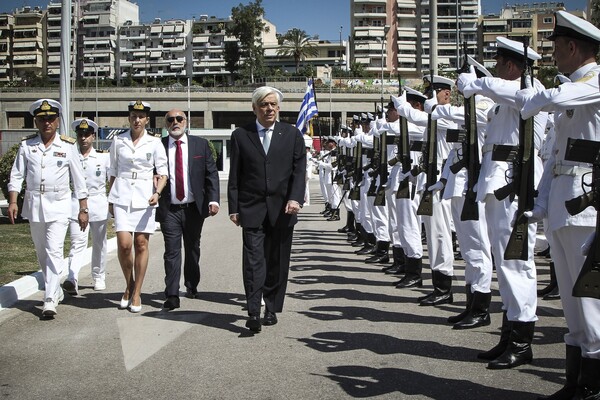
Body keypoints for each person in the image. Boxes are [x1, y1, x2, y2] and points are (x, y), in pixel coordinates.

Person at [516, 11, 600, 399]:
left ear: (571, 46)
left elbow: (554, 97)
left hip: (589, 209)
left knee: (591, 301)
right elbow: (555, 159)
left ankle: (594, 384)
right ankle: (576, 382)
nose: (551, 54)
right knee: (570, 299)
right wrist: (543, 205)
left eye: (554, 47)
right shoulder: (572, 88)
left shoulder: (593, 82)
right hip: (566, 208)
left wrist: (532, 98)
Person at [458, 36, 548, 369]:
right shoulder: (503, 100)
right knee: (503, 263)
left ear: (511, 66)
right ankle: (510, 333)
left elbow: (505, 91)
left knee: (517, 264)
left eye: (498, 63)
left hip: (516, 185)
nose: (494, 69)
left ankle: (523, 341)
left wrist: (477, 82)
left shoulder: (528, 91)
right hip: (499, 187)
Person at [227, 86, 306, 333]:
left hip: (283, 209)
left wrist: (295, 199)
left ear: (278, 108)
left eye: (273, 104)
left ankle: (271, 307)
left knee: (277, 262)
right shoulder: (241, 135)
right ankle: (253, 311)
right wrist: (234, 207)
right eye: (263, 104)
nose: (269, 108)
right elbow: (235, 175)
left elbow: (299, 170)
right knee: (253, 262)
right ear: (255, 108)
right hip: (252, 209)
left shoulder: (291, 134)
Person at [7, 99, 88, 317]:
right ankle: (55, 289)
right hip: (35, 205)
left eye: (51, 119)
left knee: (54, 251)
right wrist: (13, 201)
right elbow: (16, 175)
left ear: (57, 121)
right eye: (42, 119)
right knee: (42, 252)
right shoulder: (27, 145)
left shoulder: (68, 146)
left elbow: (79, 180)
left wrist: (83, 208)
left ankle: (50, 298)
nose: (47, 123)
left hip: (60, 204)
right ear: (36, 121)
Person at [156, 109, 220, 311]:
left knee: (193, 249)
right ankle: (172, 294)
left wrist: (214, 200)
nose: (175, 122)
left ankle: (191, 285)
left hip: (194, 208)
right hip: (169, 209)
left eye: (179, 119)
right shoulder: (159, 146)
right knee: (171, 251)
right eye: (171, 120)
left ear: (186, 121)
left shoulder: (200, 145)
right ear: (166, 124)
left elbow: (211, 174)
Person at [107, 100, 168, 313]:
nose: (137, 120)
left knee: (141, 243)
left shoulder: (154, 143)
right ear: (129, 118)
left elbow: (163, 172)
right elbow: (112, 171)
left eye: (141, 117)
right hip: (122, 195)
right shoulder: (118, 141)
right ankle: (129, 283)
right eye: (133, 116)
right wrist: (110, 198)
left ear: (146, 120)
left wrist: (157, 192)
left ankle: (136, 292)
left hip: (144, 196)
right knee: (124, 244)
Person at [63, 118, 110, 296]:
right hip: (76, 204)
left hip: (98, 204)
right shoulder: (69, 156)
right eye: (80, 134)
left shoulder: (103, 156)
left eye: (87, 134)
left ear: (93, 136)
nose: (83, 138)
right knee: (77, 242)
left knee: (99, 243)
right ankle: (72, 278)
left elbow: (110, 181)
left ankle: (98, 275)